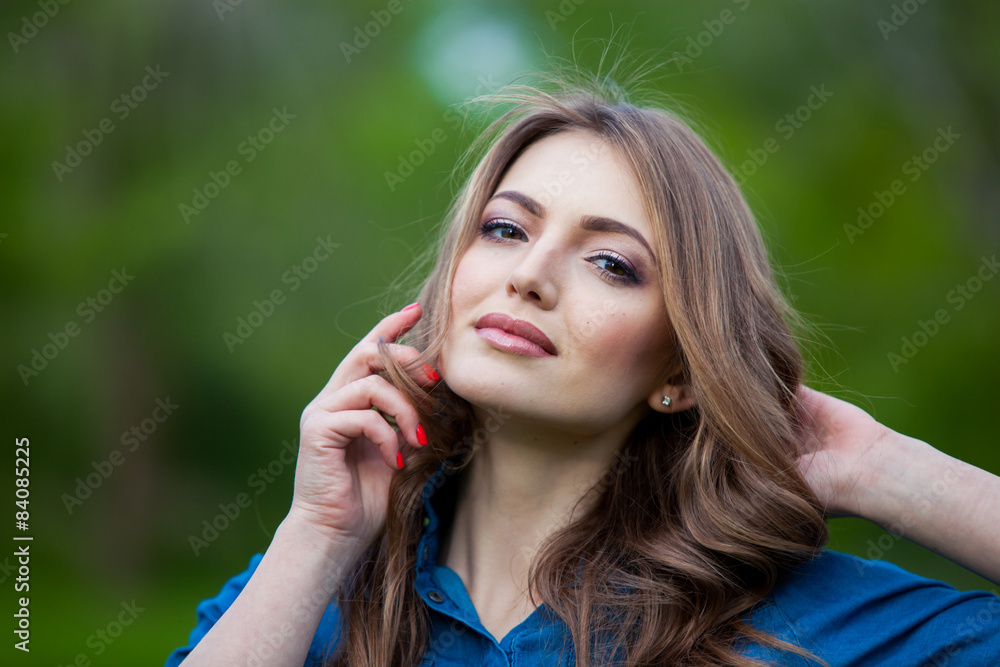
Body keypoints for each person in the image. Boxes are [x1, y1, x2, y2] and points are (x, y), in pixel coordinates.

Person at [165, 65, 1000, 666]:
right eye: (505, 229)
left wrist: (884, 469)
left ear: (678, 368)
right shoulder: (312, 590)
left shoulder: (794, 622)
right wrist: (316, 537)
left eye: (611, 263)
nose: (529, 274)